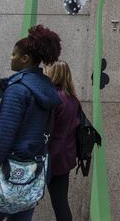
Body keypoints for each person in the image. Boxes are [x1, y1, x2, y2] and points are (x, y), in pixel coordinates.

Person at [0, 25, 63, 221]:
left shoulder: (17, 90)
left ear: (24, 59)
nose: (11, 58)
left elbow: (3, 140)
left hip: (6, 174)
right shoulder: (46, 89)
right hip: (33, 175)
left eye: (13, 54)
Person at [44, 61, 81, 221]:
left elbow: (46, 130)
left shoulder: (52, 100)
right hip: (64, 159)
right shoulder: (73, 100)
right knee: (61, 204)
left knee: (23, 202)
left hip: (47, 158)